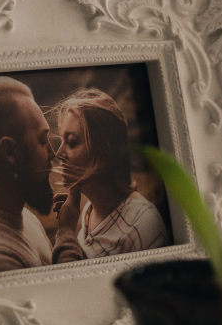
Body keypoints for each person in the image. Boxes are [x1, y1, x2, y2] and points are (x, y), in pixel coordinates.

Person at [0, 76, 84, 278]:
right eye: (42, 140)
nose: (53, 153)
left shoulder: (24, 218)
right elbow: (64, 300)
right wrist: (67, 235)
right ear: (10, 151)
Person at [50, 88, 171, 259]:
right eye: (62, 141)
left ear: (103, 152)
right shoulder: (88, 211)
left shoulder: (143, 222)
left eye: (71, 142)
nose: (59, 153)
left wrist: (66, 231)